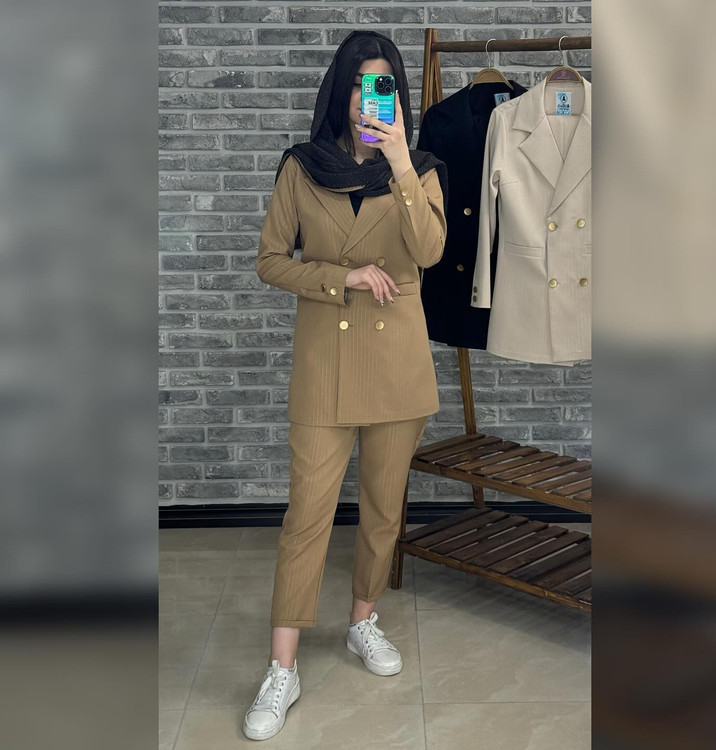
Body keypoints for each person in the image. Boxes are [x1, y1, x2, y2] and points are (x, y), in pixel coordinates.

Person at [243, 30, 448, 741]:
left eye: (383, 85)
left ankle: (364, 619)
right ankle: (282, 668)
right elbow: (270, 260)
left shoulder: (421, 168)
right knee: (308, 514)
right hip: (326, 365)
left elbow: (429, 252)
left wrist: (400, 163)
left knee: (384, 510)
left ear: (397, 95)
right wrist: (342, 276)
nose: (371, 98)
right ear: (341, 91)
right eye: (361, 85)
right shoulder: (303, 167)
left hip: (397, 365)